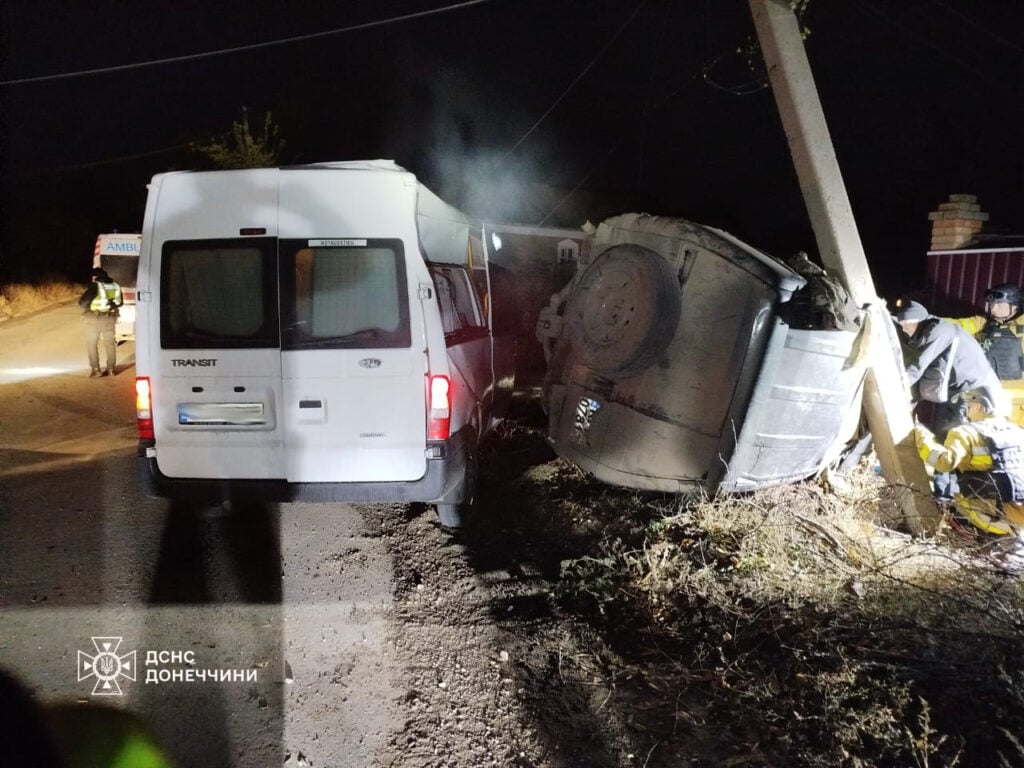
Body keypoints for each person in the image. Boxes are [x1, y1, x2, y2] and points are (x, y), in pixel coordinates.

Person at [895, 300, 1006, 499]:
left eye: (906, 325)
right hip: (960, 394)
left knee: (953, 442)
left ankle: (948, 497)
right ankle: (946, 495)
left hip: (974, 397)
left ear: (917, 320)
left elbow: (918, 367)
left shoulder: (939, 332)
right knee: (946, 436)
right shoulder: (929, 331)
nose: (904, 330)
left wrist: (893, 390)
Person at [914, 387, 1024, 572]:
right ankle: (1011, 542)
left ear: (980, 407)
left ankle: (980, 541)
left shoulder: (965, 432)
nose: (967, 408)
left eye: (971, 404)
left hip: (989, 513)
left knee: (948, 503)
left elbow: (944, 462)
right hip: (1019, 514)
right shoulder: (1018, 432)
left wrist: (921, 436)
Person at [945, 283, 1024, 425]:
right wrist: (924, 321)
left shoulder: (1021, 328)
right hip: (982, 401)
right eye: (992, 304)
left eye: (999, 305)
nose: (993, 309)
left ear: (1015, 305)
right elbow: (954, 325)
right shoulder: (982, 324)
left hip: (1015, 407)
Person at [77, 267, 123, 377]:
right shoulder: (115, 286)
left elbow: (83, 302)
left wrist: (87, 309)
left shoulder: (95, 285)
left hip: (94, 319)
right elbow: (120, 303)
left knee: (92, 344)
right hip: (110, 318)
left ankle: (96, 370)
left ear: (95, 277)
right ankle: (111, 369)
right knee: (110, 344)